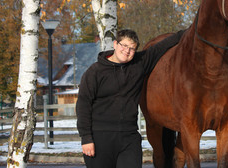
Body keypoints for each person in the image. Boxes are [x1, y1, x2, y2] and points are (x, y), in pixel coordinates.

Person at [76, 29, 185, 168]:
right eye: (124, 45)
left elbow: (162, 46)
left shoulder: (138, 64)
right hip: (100, 138)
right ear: (115, 44)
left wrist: (191, 29)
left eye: (132, 48)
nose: (127, 51)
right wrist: (86, 138)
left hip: (129, 138)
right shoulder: (95, 72)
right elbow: (83, 105)